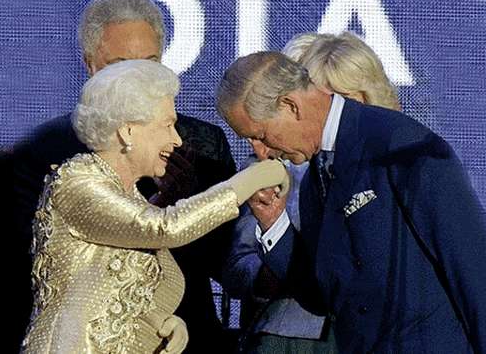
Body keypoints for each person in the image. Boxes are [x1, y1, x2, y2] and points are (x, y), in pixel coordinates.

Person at [216, 51, 486, 353]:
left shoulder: (398, 145)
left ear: (291, 106)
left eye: (261, 135)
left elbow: (478, 273)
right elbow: (321, 297)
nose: (261, 151)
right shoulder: (313, 180)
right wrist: (274, 223)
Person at [13, 0, 238, 351]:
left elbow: (227, 262)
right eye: (120, 66)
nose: (137, 78)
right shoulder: (50, 151)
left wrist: (188, 200)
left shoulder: (201, 144)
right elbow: (37, 263)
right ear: (89, 65)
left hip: (185, 332)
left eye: (148, 64)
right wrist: (158, 209)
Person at [20, 59, 288, 354]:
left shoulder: (130, 198)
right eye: (168, 125)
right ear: (128, 132)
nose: (176, 140)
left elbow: (105, 287)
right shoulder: (77, 181)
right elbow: (165, 227)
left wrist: (158, 322)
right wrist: (247, 181)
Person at [222, 31, 402, 353]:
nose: (331, 111)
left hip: (382, 332)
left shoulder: (405, 161)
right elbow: (237, 265)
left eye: (344, 98)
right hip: (292, 336)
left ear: (369, 96)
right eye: (324, 98)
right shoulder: (274, 164)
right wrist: (276, 271)